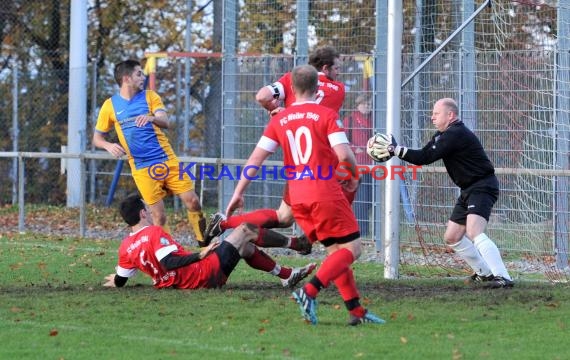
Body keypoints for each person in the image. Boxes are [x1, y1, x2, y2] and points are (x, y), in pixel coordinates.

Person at [226, 65, 385, 326]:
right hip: (324, 192)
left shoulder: (280, 119)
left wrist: (238, 193)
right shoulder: (327, 115)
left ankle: (356, 312)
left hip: (297, 198)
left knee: (336, 251)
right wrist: (353, 175)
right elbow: (345, 155)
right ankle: (308, 292)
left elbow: (255, 159)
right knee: (353, 249)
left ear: (291, 87)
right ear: (318, 87)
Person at [204, 46, 349, 253]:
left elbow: (262, 95)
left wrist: (277, 111)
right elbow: (342, 151)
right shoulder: (339, 90)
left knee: (284, 217)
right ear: (325, 70)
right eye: (337, 68)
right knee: (342, 206)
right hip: (322, 167)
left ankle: (226, 223)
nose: (339, 73)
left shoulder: (289, 90)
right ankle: (316, 260)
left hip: (298, 166)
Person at [369, 98, 514, 288]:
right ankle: (485, 274)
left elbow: (426, 158)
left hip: (482, 186)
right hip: (468, 189)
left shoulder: (456, 133)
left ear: (450, 115)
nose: (432, 117)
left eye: (436, 114)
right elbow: (422, 153)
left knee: (474, 232)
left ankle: (503, 277)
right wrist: (396, 150)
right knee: (452, 237)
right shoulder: (443, 134)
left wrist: (394, 149)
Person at [92, 59, 208, 247]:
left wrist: (151, 118)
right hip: (142, 168)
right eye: (139, 73)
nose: (143, 77)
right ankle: (169, 256)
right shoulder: (110, 106)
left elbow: (165, 121)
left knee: (193, 202)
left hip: (167, 160)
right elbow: (97, 138)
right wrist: (108, 145)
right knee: (158, 217)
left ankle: (205, 246)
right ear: (126, 78)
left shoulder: (150, 96)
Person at [103, 193, 316, 290]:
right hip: (202, 273)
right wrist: (200, 254)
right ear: (142, 214)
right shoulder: (152, 233)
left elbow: (122, 279)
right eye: (147, 209)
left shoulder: (125, 247)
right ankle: (298, 244)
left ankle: (286, 275)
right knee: (245, 230)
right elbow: (168, 261)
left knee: (246, 246)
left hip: (188, 281)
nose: (150, 212)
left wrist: (117, 281)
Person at [343, 94, 373, 238]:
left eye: (369, 104)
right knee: (360, 200)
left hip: (374, 166)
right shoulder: (349, 121)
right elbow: (342, 142)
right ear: (358, 105)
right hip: (357, 166)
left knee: (371, 200)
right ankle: (362, 231)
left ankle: (372, 231)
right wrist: (355, 149)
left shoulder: (376, 120)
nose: (368, 107)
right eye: (365, 104)